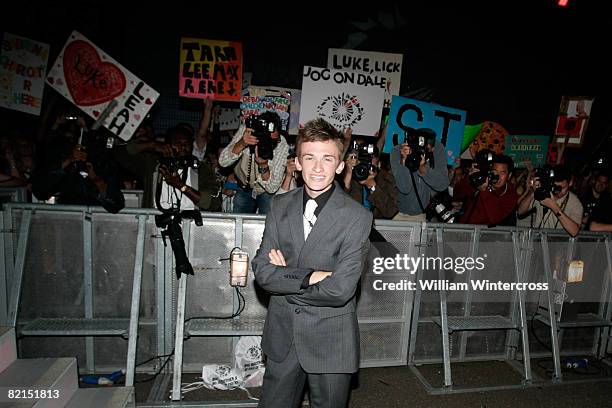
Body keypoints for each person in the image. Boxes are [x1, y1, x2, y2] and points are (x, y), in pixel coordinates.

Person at [252, 118, 372, 408]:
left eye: (327, 159)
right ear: (297, 163)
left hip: (331, 339)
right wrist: (312, 276)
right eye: (310, 158)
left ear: (340, 165)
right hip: (283, 336)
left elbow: (341, 289)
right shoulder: (279, 206)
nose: (318, 168)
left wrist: (286, 277)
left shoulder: (357, 217)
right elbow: (262, 272)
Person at [115, 125, 221, 211]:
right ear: (167, 145)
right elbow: (120, 153)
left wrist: (181, 186)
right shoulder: (153, 164)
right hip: (152, 225)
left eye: (187, 143)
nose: (183, 147)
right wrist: (152, 145)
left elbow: (213, 203)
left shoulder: (200, 169)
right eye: (178, 143)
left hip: (190, 228)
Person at [218, 111, 289, 214]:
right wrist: (242, 143)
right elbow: (223, 162)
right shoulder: (247, 131)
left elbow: (272, 188)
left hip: (265, 191)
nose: (270, 143)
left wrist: (263, 166)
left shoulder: (281, 144)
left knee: (267, 225)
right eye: (266, 139)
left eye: (274, 140)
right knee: (239, 225)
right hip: (243, 187)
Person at [390, 128, 449, 220]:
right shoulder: (398, 150)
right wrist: (403, 161)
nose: (428, 152)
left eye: (430, 150)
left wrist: (424, 170)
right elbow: (404, 188)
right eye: (426, 149)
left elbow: (443, 185)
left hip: (420, 214)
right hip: (396, 213)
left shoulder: (438, 149)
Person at [517, 165, 582, 236]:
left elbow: (574, 231)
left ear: (570, 183)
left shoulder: (575, 202)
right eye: (554, 187)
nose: (557, 191)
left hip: (557, 243)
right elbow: (520, 212)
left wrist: (554, 207)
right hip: (537, 240)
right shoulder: (544, 192)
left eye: (562, 188)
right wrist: (534, 192)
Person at [453, 154, 518, 226]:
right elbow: (457, 194)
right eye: (495, 171)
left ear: (509, 176)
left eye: (502, 173)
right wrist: (469, 178)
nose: (497, 176)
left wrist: (485, 191)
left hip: (487, 233)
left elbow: (495, 217)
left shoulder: (510, 194)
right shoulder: (482, 181)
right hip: (465, 228)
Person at [343, 144, 398, 219]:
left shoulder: (386, 178)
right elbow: (339, 203)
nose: (366, 168)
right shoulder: (351, 177)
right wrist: (348, 172)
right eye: (363, 162)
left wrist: (372, 187)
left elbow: (390, 211)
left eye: (370, 164)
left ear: (378, 163)